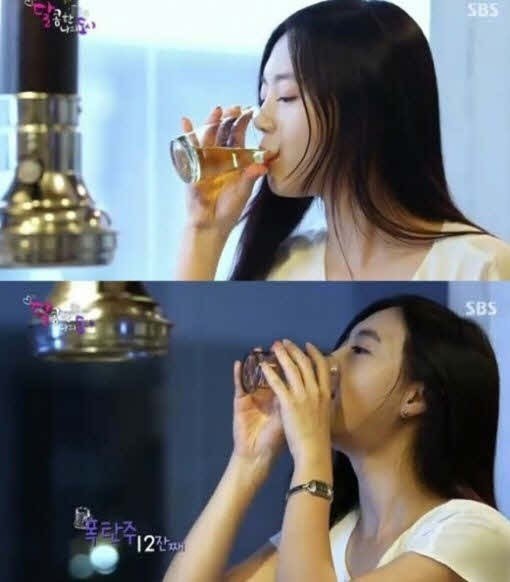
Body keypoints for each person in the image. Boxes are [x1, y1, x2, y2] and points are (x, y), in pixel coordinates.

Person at [162, 295, 510, 581]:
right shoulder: (331, 536)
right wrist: (249, 461)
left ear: (415, 397)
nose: (328, 361)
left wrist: (310, 453)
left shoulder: (472, 532)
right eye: (340, 347)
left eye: (359, 350)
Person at [176, 0, 510, 281]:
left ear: (366, 109)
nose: (261, 120)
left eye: (287, 96)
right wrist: (204, 231)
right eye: (263, 97)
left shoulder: (480, 267)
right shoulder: (284, 266)